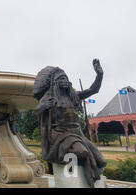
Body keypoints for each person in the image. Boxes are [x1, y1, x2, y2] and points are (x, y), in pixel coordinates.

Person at [33, 59, 107, 187]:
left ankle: (91, 179)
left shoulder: (73, 96)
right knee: (81, 152)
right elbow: (36, 111)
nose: (65, 82)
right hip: (61, 135)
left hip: (77, 134)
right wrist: (44, 106)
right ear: (55, 83)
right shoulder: (50, 97)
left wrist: (99, 75)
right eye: (61, 79)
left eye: (66, 79)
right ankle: (88, 181)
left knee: (101, 160)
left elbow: (93, 90)